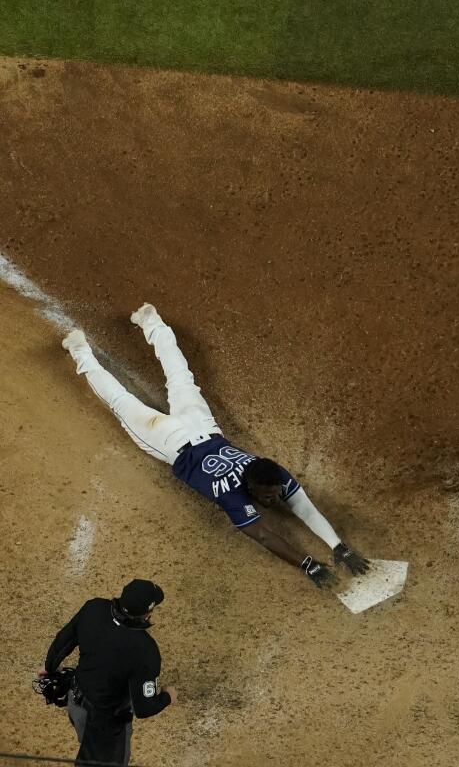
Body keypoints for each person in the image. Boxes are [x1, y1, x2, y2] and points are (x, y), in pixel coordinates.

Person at [61, 304, 370, 588]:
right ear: (249, 486)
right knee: (124, 400)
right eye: (268, 495)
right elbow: (262, 533)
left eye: (275, 493)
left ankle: (149, 319)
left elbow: (302, 505)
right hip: (171, 439)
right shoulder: (233, 495)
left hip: (200, 426)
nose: (275, 499)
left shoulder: (269, 473)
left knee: (179, 376)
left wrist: (338, 546)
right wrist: (308, 564)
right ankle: (81, 350)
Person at [41, 579, 176, 767]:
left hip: (75, 704)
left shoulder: (93, 608)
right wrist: (168, 696)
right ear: (147, 613)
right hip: (105, 726)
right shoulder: (146, 650)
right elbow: (144, 708)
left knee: (87, 745)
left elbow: (63, 641)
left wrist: (49, 667)